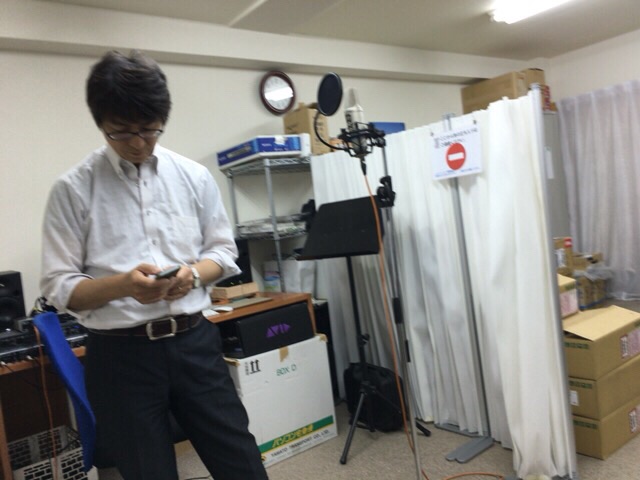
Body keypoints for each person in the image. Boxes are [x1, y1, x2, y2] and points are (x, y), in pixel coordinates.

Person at [40, 50, 269, 480]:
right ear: (100, 123)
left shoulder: (193, 176)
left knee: (242, 464)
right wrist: (124, 285)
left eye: (149, 129)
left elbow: (223, 253)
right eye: (122, 132)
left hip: (194, 342)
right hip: (120, 356)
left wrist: (192, 276)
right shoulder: (72, 189)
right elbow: (59, 287)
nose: (138, 143)